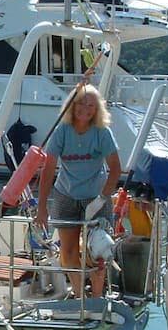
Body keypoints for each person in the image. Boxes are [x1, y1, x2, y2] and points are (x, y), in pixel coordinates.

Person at [36, 84, 121, 298]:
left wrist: (103, 198)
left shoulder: (102, 133)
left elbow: (116, 168)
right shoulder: (62, 131)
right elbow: (48, 169)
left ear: (97, 109)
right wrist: (42, 208)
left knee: (98, 250)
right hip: (66, 194)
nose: (86, 108)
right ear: (72, 106)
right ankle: (79, 294)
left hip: (96, 196)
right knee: (69, 250)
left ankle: (96, 298)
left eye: (91, 105)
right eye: (82, 103)